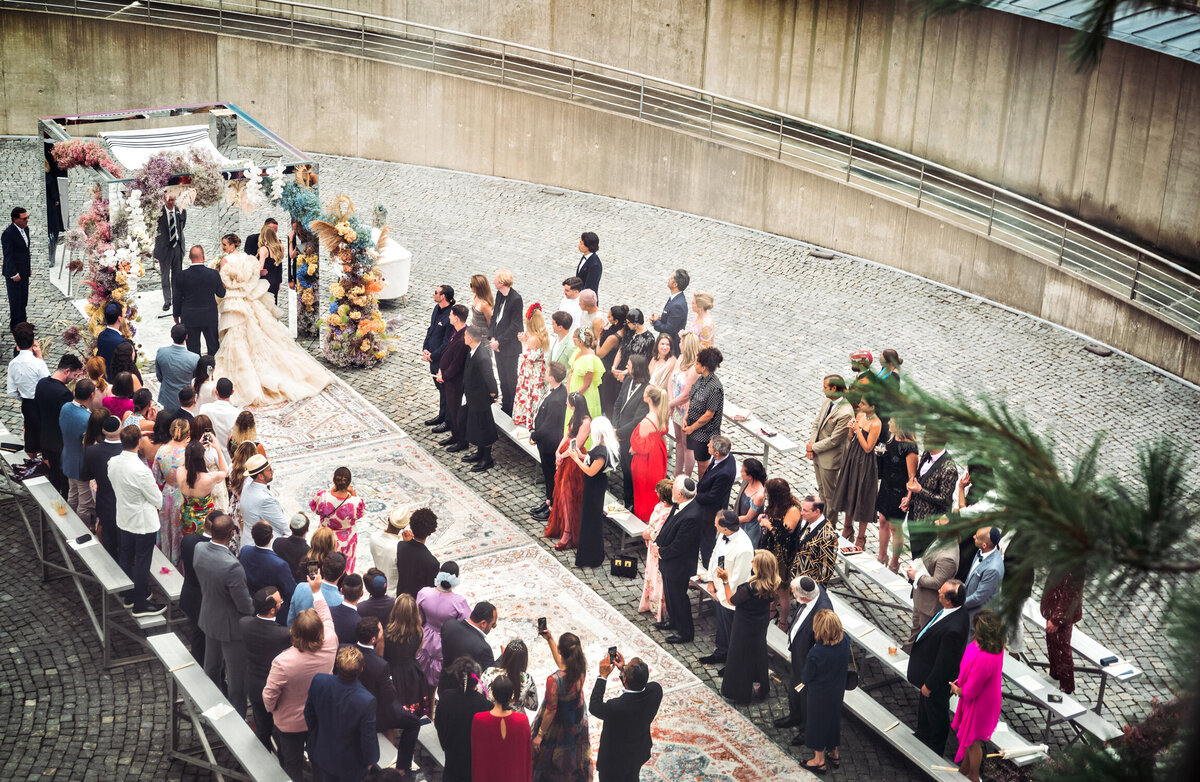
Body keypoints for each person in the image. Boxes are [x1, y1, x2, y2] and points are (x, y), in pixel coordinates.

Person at [215, 239, 332, 404]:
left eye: (225, 244)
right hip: (248, 299)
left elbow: (223, 282)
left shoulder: (225, 261)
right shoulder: (246, 259)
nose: (223, 247)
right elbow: (253, 278)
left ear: (233, 245)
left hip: (236, 300)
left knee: (237, 335)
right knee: (260, 331)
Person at [264, 567, 339, 780]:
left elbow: (269, 696)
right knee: (319, 760)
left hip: (290, 722)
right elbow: (326, 617)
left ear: (294, 631)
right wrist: (316, 591)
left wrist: (273, 710)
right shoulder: (331, 642)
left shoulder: (284, 662)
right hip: (319, 716)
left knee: (292, 764)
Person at [194, 514, 255, 717]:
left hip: (209, 615)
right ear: (231, 534)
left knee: (211, 667)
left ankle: (211, 704)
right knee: (237, 678)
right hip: (231, 627)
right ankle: (237, 717)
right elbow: (244, 605)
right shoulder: (232, 567)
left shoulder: (199, 548)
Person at [907, 579, 969, 756]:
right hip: (927, 672)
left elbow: (945, 662)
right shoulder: (955, 611)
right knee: (925, 710)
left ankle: (934, 752)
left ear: (949, 601)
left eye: (941, 591)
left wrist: (929, 685)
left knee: (936, 716)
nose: (938, 591)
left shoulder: (954, 629)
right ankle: (921, 736)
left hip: (935, 681)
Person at [111, 424, 166, 616]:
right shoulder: (141, 470)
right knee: (142, 561)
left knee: (126, 556)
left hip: (124, 516)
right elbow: (157, 500)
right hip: (142, 522)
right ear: (138, 442)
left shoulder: (113, 462)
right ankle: (140, 602)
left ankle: (129, 594)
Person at [774, 576, 833, 740]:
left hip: (809, 659)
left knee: (806, 693)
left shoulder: (823, 611)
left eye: (793, 593)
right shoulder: (811, 589)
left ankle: (807, 728)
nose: (792, 595)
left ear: (803, 597)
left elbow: (824, 641)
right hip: (798, 653)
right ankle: (795, 715)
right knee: (794, 684)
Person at [951, 610, 1006, 781]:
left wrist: (956, 689)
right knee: (969, 737)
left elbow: (971, 690)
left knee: (973, 741)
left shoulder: (985, 658)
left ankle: (974, 775)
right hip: (985, 698)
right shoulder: (995, 647)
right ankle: (965, 767)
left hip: (981, 703)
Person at [719, 548, 779, 703]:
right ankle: (762, 686)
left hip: (744, 625)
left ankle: (739, 692)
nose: (751, 561)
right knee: (758, 651)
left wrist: (725, 581)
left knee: (740, 655)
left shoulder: (749, 588)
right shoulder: (772, 584)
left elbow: (732, 600)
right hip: (760, 623)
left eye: (755, 560)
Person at [532, 628, 592, 780]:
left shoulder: (553, 680)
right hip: (575, 716)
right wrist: (550, 639)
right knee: (572, 751)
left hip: (559, 720)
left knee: (551, 755)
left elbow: (550, 711)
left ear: (560, 650)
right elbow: (563, 665)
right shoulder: (580, 667)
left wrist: (540, 735)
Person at [240, 586, 292, 749]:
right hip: (276, 691)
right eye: (280, 602)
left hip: (254, 685)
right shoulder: (283, 634)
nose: (281, 604)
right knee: (282, 733)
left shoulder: (244, 624)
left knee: (262, 730)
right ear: (272, 610)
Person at [701, 509, 755, 666]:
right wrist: (710, 580)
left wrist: (723, 596)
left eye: (716, 523)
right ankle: (720, 652)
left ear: (726, 528)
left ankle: (731, 663)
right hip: (718, 590)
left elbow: (739, 579)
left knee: (731, 631)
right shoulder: (724, 534)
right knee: (721, 627)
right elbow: (715, 555)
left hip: (730, 597)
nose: (714, 525)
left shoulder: (744, 548)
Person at [800, 609, 851, 772]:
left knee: (816, 725)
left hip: (819, 694)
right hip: (837, 690)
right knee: (832, 720)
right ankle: (833, 752)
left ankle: (818, 761)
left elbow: (807, 676)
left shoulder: (816, 652)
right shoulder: (846, 641)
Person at [655, 475, 704, 643]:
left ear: (682, 494)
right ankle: (673, 621)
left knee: (678, 597)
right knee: (670, 595)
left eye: (674, 489)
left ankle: (685, 631)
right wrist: (659, 542)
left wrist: (661, 552)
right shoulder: (680, 505)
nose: (672, 491)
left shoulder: (692, 516)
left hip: (679, 564)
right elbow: (669, 525)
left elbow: (680, 545)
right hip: (670, 562)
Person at [568, 415, 618, 568]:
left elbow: (590, 471)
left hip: (595, 488)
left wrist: (576, 460)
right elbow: (590, 459)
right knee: (589, 519)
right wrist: (581, 455)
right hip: (593, 486)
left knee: (592, 521)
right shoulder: (601, 447)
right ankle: (588, 554)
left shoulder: (602, 451)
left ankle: (592, 556)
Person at [834, 397, 882, 550]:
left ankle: (861, 537)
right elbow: (851, 439)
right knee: (849, 491)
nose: (859, 405)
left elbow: (868, 447)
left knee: (862, 495)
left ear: (873, 406)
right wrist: (850, 429)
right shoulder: (860, 415)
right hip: (853, 457)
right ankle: (848, 527)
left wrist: (857, 430)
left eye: (863, 403)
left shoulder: (876, 423)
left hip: (865, 463)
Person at [545, 393, 591, 551]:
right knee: (561, 494)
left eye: (568, 402)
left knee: (568, 496)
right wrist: (558, 451)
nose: (566, 403)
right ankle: (564, 527)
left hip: (575, 461)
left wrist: (563, 456)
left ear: (574, 405)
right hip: (566, 458)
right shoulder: (575, 417)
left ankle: (569, 532)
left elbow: (576, 445)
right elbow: (567, 436)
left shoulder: (586, 422)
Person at [904, 525, 961, 651]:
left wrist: (916, 575)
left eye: (940, 523)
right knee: (915, 630)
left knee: (923, 637)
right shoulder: (941, 540)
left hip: (928, 605)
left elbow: (938, 582)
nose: (936, 522)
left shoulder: (948, 557)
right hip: (921, 599)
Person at [435, 656, 491, 782]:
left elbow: (439, 723)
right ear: (478, 677)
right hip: (474, 757)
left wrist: (445, 743)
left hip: (452, 751)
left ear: (457, 676)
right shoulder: (486, 705)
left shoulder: (446, 697)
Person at [806, 375, 852, 527]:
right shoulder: (828, 401)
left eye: (825, 387)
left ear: (833, 388)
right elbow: (817, 423)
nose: (823, 389)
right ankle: (820, 522)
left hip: (830, 459)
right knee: (821, 491)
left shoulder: (845, 412)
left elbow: (835, 440)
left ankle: (829, 526)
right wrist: (811, 444)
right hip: (819, 453)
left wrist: (812, 447)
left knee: (830, 496)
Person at [415, 562, 470, 688]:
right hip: (444, 642)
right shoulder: (459, 602)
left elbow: (418, 617)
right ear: (456, 578)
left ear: (439, 573)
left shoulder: (424, 593)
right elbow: (464, 628)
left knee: (421, 668)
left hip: (425, 636)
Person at [35, 353, 84, 495]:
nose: (73, 379)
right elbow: (68, 421)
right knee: (64, 481)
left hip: (45, 439)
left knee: (52, 478)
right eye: (74, 375)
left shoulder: (42, 383)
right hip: (60, 444)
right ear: (67, 371)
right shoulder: (64, 394)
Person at [875, 421, 919, 571]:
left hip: (899, 492)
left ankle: (894, 561)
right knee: (882, 521)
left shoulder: (910, 447)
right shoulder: (891, 439)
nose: (888, 422)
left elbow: (912, 477)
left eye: (892, 421)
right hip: (886, 487)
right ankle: (882, 556)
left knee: (895, 527)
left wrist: (908, 497)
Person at [472, 674, 533, 782]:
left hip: (489, 776)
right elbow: (526, 758)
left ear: (492, 694)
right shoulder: (522, 721)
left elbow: (477, 757)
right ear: (511, 696)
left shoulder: (479, 719)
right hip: (513, 777)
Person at [758, 479, 801, 629]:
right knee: (770, 582)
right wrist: (765, 518)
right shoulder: (776, 504)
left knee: (782, 588)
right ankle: (771, 609)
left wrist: (767, 524)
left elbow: (784, 535)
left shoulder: (793, 510)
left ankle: (783, 621)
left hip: (783, 554)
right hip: (771, 548)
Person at [529, 361, 568, 522]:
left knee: (551, 475)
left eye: (547, 372)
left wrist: (534, 436)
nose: (545, 374)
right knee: (548, 475)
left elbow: (549, 425)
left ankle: (552, 506)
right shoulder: (556, 392)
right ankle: (548, 501)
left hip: (549, 444)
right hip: (546, 442)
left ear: (551, 378)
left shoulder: (556, 400)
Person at [383, 594, 433, 719]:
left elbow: (382, 655)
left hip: (392, 672)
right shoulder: (419, 631)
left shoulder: (386, 633)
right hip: (412, 673)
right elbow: (416, 652)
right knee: (413, 709)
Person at [309, 466, 366, 573]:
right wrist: (353, 493)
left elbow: (314, 508)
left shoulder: (323, 496)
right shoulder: (356, 502)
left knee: (322, 562)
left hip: (325, 536)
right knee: (344, 566)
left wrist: (330, 491)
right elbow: (359, 514)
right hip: (346, 540)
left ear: (333, 480)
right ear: (349, 483)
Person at [612, 353, 650, 510]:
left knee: (632, 470)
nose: (626, 366)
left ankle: (633, 501)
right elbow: (618, 403)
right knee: (624, 468)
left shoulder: (647, 389)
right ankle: (626, 497)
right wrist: (615, 427)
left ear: (637, 368)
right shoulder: (628, 379)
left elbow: (638, 420)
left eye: (629, 364)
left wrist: (620, 433)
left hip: (631, 437)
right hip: (620, 430)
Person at [82, 414, 124, 557]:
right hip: (125, 506)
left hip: (105, 504)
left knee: (109, 544)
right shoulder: (127, 451)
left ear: (104, 431)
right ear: (121, 429)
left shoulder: (92, 451)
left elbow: (86, 476)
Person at [459, 325, 499, 472]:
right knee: (477, 426)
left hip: (480, 398)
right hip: (473, 396)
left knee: (484, 428)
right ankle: (480, 453)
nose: (464, 338)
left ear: (470, 338)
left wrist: (494, 393)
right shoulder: (473, 351)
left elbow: (489, 377)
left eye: (464, 336)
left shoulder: (482, 356)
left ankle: (487, 459)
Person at [173, 245, 225, 355]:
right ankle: (211, 370)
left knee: (193, 349)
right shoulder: (213, 274)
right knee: (213, 347)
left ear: (189, 257)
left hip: (189, 317)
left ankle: (197, 370)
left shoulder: (181, 276)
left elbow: (177, 298)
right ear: (204, 257)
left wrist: (176, 316)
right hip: (209, 316)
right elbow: (221, 294)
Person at [627, 384, 669, 522]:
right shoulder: (662, 413)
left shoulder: (647, 421)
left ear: (649, 399)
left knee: (643, 490)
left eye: (645, 392)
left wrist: (632, 450)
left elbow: (640, 447)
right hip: (658, 455)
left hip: (646, 461)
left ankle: (643, 519)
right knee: (654, 489)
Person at [682, 346, 723, 481]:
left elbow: (709, 414)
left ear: (704, 367)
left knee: (702, 465)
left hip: (704, 433)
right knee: (697, 459)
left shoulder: (714, 387)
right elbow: (692, 398)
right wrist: (686, 416)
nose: (695, 365)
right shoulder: (701, 379)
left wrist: (692, 428)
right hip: (693, 428)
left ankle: (702, 489)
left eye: (697, 363)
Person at [695, 434, 736, 568]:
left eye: (710, 446)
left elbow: (713, 496)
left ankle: (708, 569)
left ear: (717, 453)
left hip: (710, 511)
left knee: (707, 542)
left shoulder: (724, 472)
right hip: (706, 504)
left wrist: (695, 496)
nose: (707, 445)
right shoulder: (723, 458)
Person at [179, 512, 215, 663]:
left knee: (198, 634)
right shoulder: (213, 551)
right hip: (204, 602)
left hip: (188, 595)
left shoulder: (188, 540)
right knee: (204, 639)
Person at [439, 600, 498, 693]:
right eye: (493, 625)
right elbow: (489, 673)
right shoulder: (484, 648)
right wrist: (503, 657)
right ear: (483, 623)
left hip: (444, 686)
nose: (492, 628)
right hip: (463, 695)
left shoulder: (449, 624)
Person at [241, 521, 296, 620]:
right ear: (272, 536)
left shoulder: (245, 551)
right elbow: (291, 592)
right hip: (273, 611)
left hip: (251, 602)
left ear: (253, 536)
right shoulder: (280, 565)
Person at [1041, 568, 1084, 694]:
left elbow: (1071, 593)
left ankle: (1066, 689)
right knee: (1053, 644)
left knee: (1061, 649)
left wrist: (1057, 620)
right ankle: (1054, 676)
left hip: (1062, 613)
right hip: (1054, 608)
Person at [488, 269, 525, 417]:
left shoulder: (516, 299)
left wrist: (499, 342)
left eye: (496, 279)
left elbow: (515, 325)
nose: (493, 281)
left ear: (502, 282)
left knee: (510, 379)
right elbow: (495, 316)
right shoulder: (499, 295)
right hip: (497, 343)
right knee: (502, 377)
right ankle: (506, 403)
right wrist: (491, 337)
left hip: (509, 346)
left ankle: (512, 406)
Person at [7, 322, 48, 455]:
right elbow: (47, 384)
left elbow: (12, 391)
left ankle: (32, 464)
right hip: (41, 405)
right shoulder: (38, 363)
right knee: (44, 438)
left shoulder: (13, 364)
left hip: (27, 404)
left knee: (30, 438)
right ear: (33, 341)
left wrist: (23, 396)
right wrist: (40, 356)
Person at [59, 379, 94, 527]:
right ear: (92, 395)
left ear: (74, 392)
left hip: (68, 458)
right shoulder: (87, 418)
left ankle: (68, 524)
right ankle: (81, 530)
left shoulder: (65, 407)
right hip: (81, 465)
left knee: (73, 495)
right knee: (84, 503)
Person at [637, 479, 674, 622]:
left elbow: (656, 531)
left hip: (658, 548)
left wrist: (645, 534)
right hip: (652, 548)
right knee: (650, 574)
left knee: (658, 578)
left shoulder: (668, 513)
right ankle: (649, 602)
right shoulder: (660, 506)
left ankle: (659, 607)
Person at [904, 431, 959, 524]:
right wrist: (909, 499)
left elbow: (945, 500)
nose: (922, 440)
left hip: (929, 523)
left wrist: (920, 491)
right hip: (913, 516)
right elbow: (919, 480)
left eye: (926, 438)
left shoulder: (949, 469)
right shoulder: (926, 454)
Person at [177, 439, 225, 541]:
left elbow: (185, 464)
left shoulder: (179, 472)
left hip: (186, 517)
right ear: (202, 457)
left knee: (188, 542)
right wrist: (218, 449)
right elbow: (225, 471)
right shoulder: (210, 478)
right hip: (205, 522)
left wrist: (194, 447)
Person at [422, 283, 455, 429]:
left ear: (443, 297)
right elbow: (431, 329)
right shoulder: (437, 309)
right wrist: (425, 348)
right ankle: (442, 415)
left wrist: (433, 356)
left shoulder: (450, 316)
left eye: (436, 292)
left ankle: (448, 420)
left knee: (445, 389)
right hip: (432, 356)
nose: (434, 294)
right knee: (440, 388)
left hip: (441, 358)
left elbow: (446, 343)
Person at [437, 304, 470, 450]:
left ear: (456, 318)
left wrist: (444, 375)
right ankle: (455, 435)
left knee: (457, 411)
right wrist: (440, 369)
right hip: (448, 379)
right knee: (452, 409)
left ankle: (461, 441)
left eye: (450, 315)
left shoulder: (463, 338)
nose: (449, 317)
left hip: (455, 382)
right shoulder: (456, 331)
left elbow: (457, 364)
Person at [667, 333, 699, 477]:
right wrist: (671, 401)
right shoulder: (680, 358)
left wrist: (671, 404)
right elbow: (670, 381)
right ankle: (677, 473)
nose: (679, 344)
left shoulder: (694, 368)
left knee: (687, 446)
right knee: (679, 441)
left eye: (681, 342)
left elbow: (687, 394)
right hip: (676, 406)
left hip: (687, 410)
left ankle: (686, 477)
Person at [513, 302, 549, 428]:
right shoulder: (538, 334)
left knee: (530, 395)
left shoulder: (534, 339)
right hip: (536, 370)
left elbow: (528, 356)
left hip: (531, 372)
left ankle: (530, 420)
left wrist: (523, 342)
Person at [286, 552, 346, 626]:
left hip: (297, 635)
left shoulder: (300, 587)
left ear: (323, 567)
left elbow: (290, 621)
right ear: (343, 572)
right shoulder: (341, 601)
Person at [792, 494, 839, 587]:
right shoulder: (808, 520)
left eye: (805, 510)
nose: (801, 513)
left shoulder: (827, 536)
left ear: (817, 511)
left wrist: (814, 589)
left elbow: (826, 570)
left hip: (809, 585)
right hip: (797, 576)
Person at [481, 639, 539, 713]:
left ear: (505, 655)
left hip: (492, 716)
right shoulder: (527, 679)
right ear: (524, 659)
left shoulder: (489, 672)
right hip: (516, 721)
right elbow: (533, 706)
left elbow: (479, 695)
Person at [240, 454, 290, 540]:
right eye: (269, 470)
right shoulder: (265, 500)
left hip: (247, 538)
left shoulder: (247, 483)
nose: (272, 472)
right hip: (261, 543)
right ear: (260, 476)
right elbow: (283, 526)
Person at [395, 507, 439, 599]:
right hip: (418, 606)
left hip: (400, 600)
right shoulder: (432, 562)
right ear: (430, 532)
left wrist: (407, 542)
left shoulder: (401, 546)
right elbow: (431, 592)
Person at [963, 526, 1005, 624]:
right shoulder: (981, 551)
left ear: (984, 545)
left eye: (977, 537)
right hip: (968, 608)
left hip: (978, 617)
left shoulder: (993, 569)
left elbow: (979, 597)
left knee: (970, 639)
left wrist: (958, 603)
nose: (973, 537)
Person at [155, 193, 187, 309]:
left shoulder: (181, 210)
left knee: (177, 275)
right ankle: (167, 301)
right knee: (165, 276)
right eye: (169, 200)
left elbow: (181, 226)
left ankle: (177, 298)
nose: (171, 202)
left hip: (177, 246)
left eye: (173, 200)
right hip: (164, 248)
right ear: (164, 200)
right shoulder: (158, 212)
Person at [593, 301, 625, 416]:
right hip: (607, 366)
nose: (607, 317)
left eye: (610, 316)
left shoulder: (613, 338)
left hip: (606, 370)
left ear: (616, 320)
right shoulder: (620, 328)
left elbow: (600, 354)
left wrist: (599, 338)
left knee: (605, 398)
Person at [649, 268, 690, 355]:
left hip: (670, 349)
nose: (668, 279)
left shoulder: (677, 305)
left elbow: (669, 329)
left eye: (671, 278)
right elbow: (669, 320)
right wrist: (659, 319)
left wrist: (656, 322)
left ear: (675, 284)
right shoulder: (675, 299)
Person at [3, 206, 32, 328]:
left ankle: (23, 322)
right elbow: (8, 255)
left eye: (27, 217)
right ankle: (16, 324)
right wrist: (13, 273)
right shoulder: (8, 234)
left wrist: (28, 267)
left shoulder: (25, 229)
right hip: (14, 273)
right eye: (24, 219)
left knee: (23, 297)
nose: (27, 220)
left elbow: (26, 251)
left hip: (24, 270)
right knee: (15, 300)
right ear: (15, 219)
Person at [198, 377, 240, 460]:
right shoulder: (238, 413)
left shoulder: (204, 408)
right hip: (229, 458)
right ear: (232, 392)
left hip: (208, 456)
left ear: (216, 392)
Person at [566, 327, 604, 419]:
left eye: (574, 337)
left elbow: (587, 384)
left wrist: (574, 397)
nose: (572, 338)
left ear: (580, 341)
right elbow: (571, 373)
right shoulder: (577, 352)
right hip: (572, 391)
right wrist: (568, 394)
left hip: (584, 395)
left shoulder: (590, 359)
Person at [369, 507, 409, 594]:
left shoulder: (374, 537)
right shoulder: (400, 547)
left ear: (388, 519)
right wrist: (408, 546)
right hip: (393, 592)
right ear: (404, 527)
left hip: (375, 586)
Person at [733, 458, 767, 548]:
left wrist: (730, 520)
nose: (740, 471)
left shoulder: (759, 495)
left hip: (749, 531)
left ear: (750, 476)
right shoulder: (746, 481)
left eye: (743, 471)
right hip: (739, 524)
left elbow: (748, 518)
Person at [95, 303, 131, 381]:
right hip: (118, 382)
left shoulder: (101, 336)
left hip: (105, 378)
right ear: (119, 318)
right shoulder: (122, 343)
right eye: (122, 314)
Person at [254, 223, 286, 304]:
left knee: (264, 306)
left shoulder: (263, 249)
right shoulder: (280, 247)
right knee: (273, 304)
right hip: (275, 281)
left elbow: (260, 267)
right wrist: (279, 281)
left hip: (265, 281)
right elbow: (279, 265)